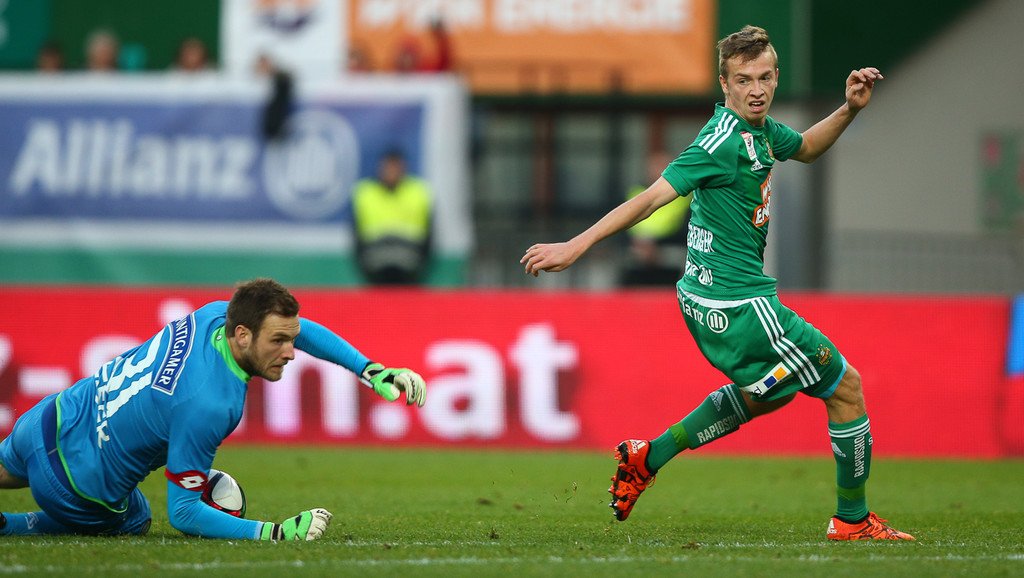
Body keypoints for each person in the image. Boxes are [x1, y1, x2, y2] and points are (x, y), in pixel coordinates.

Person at [521, 26, 913, 541]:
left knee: (768, 392)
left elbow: (806, 148)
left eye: (765, 77)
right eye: (744, 80)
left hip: (706, 300)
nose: (757, 90)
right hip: (741, 305)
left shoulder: (761, 131)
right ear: (724, 84)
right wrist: (576, 245)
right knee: (846, 387)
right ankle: (853, 520)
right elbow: (650, 199)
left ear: (776, 77)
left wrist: (849, 109)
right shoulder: (719, 141)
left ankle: (648, 456)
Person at [0, 278, 426, 539]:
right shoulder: (212, 404)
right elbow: (183, 513)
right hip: (76, 487)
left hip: (47, 420)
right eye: (278, 341)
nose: (291, 352)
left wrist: (370, 370)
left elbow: (301, 329)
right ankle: (15, 525)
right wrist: (274, 533)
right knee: (137, 517)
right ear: (243, 336)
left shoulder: (211, 316)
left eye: (289, 339)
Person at [352, 150, 433, 285]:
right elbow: (356, 237)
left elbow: (429, 236)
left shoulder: (419, 193)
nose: (392, 172)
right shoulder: (365, 193)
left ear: (404, 169)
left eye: (395, 167)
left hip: (410, 267)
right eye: (388, 167)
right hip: (375, 267)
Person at [620, 150, 691, 287]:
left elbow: (687, 230)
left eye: (663, 166)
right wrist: (640, 244)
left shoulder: (684, 196)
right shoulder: (635, 192)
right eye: (655, 166)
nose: (659, 171)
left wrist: (656, 246)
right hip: (638, 247)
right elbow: (622, 225)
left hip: (668, 247)